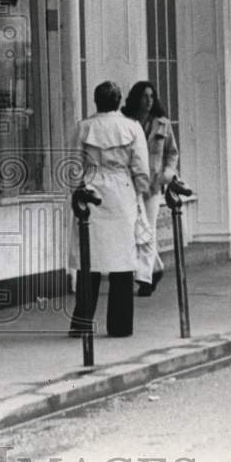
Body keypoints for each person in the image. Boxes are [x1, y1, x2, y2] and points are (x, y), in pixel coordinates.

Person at [69, 81, 150, 339]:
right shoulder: (132, 128)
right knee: (122, 262)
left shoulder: (84, 127)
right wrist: (140, 193)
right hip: (122, 191)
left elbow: (73, 166)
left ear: (96, 101)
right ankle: (120, 326)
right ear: (118, 101)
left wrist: (77, 189)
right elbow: (141, 167)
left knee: (88, 259)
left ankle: (82, 322)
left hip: (92, 189)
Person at [122, 81, 179, 297]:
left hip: (153, 185)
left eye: (152, 96)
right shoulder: (126, 122)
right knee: (135, 230)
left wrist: (166, 176)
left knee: (149, 229)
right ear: (136, 98)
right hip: (131, 184)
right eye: (145, 96)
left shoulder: (162, 124)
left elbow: (172, 152)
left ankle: (144, 278)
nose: (148, 101)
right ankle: (156, 268)